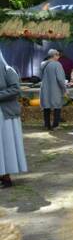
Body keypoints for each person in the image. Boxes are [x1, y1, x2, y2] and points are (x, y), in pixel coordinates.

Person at [0, 48, 27, 188]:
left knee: (5, 145)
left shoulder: (8, 70)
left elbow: (16, 89)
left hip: (5, 114)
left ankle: (6, 177)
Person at [39, 49, 66, 130]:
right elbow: (60, 79)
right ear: (54, 55)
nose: (58, 57)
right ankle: (55, 125)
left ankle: (47, 125)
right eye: (57, 55)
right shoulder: (57, 64)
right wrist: (64, 89)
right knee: (57, 106)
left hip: (45, 88)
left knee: (46, 106)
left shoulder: (43, 64)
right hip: (55, 88)